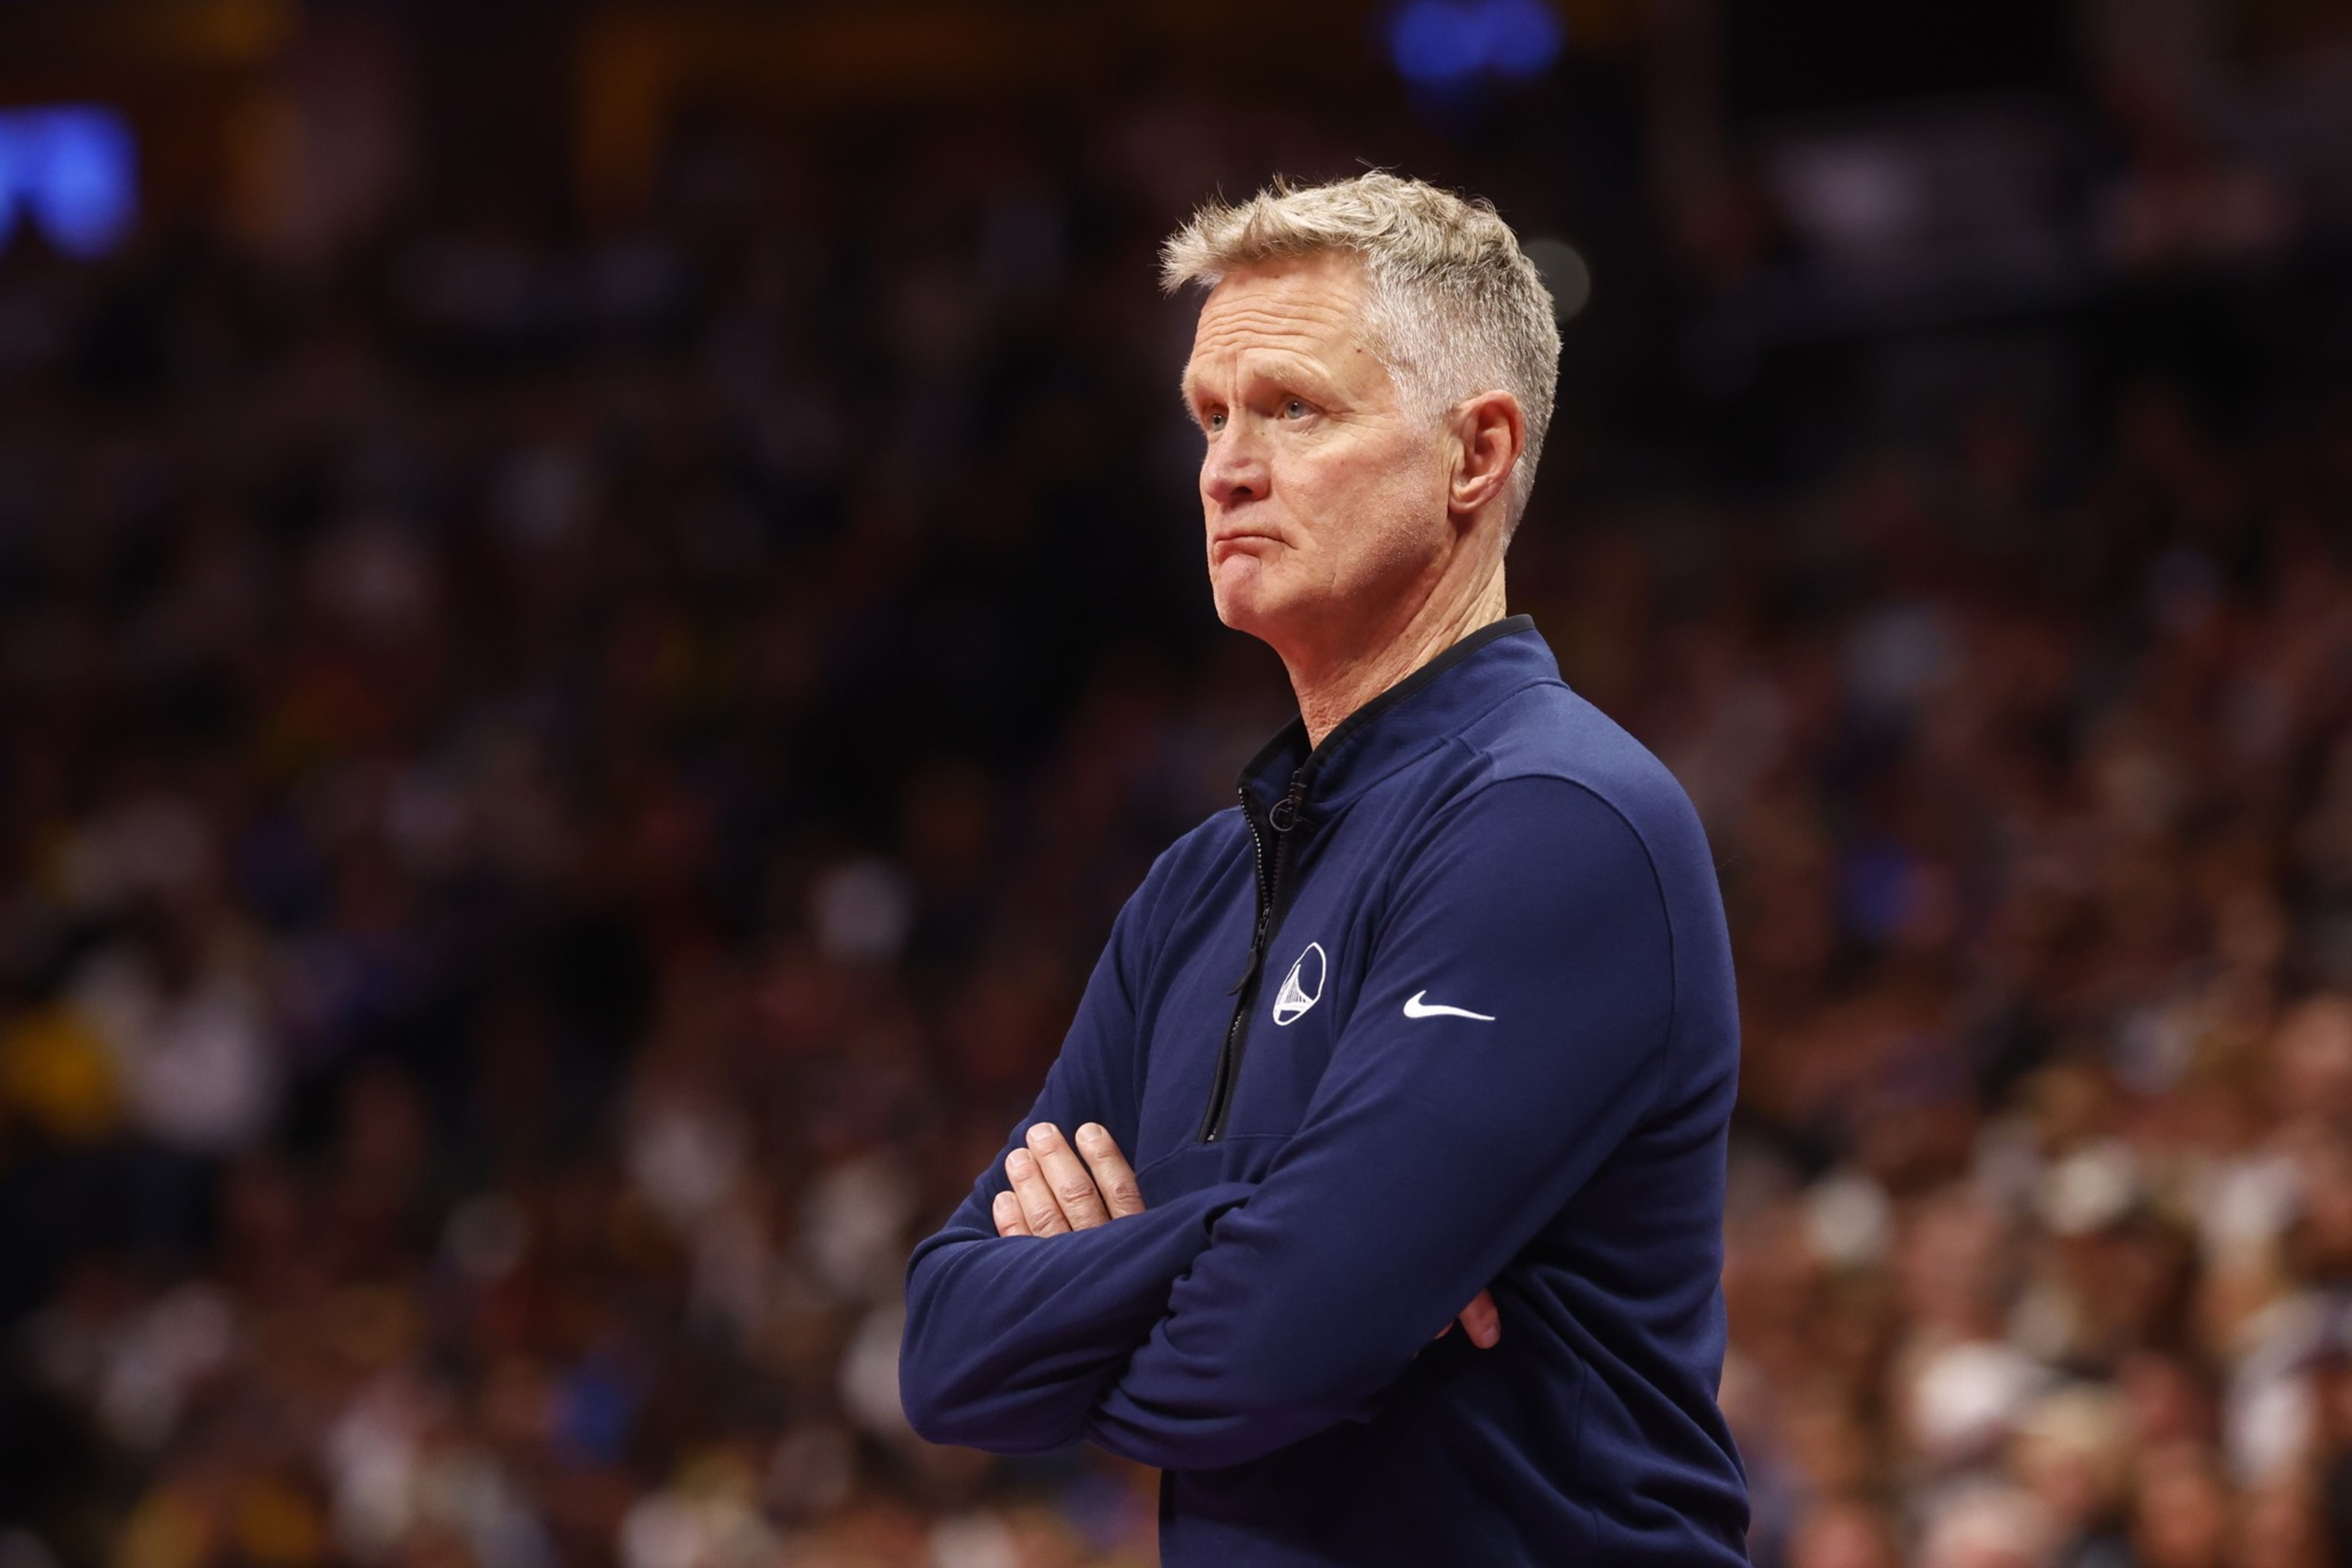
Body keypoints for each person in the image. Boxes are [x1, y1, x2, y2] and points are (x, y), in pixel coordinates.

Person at [899, 172, 1749, 1564]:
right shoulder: (1193, 883)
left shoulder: (1558, 821)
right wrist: (1256, 1234)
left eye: (1292, 408)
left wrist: (1137, 1292)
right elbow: (946, 1355)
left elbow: (1258, 1356)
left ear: (1474, 453)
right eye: (1209, 417)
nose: (1227, 466)